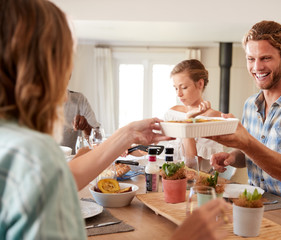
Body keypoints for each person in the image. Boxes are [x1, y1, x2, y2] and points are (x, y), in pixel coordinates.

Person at [0, 1, 230, 239]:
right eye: (65, 57)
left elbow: (60, 178)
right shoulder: (32, 155)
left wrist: (128, 134)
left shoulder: (13, 143)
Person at [210, 20, 281, 207]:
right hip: (253, 204)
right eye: (251, 59)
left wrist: (245, 142)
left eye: (265, 58)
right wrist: (232, 156)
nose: (257, 67)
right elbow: (252, 154)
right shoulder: (250, 105)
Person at [164, 59, 224, 172]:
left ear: (200, 84)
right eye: (176, 88)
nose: (178, 94)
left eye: (184, 87)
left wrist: (188, 120)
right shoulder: (172, 113)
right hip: (169, 181)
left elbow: (191, 167)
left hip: (197, 186)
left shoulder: (215, 120)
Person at [61, 89, 100, 154]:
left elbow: (98, 139)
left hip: (71, 161)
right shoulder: (38, 101)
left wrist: (86, 127)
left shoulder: (79, 99)